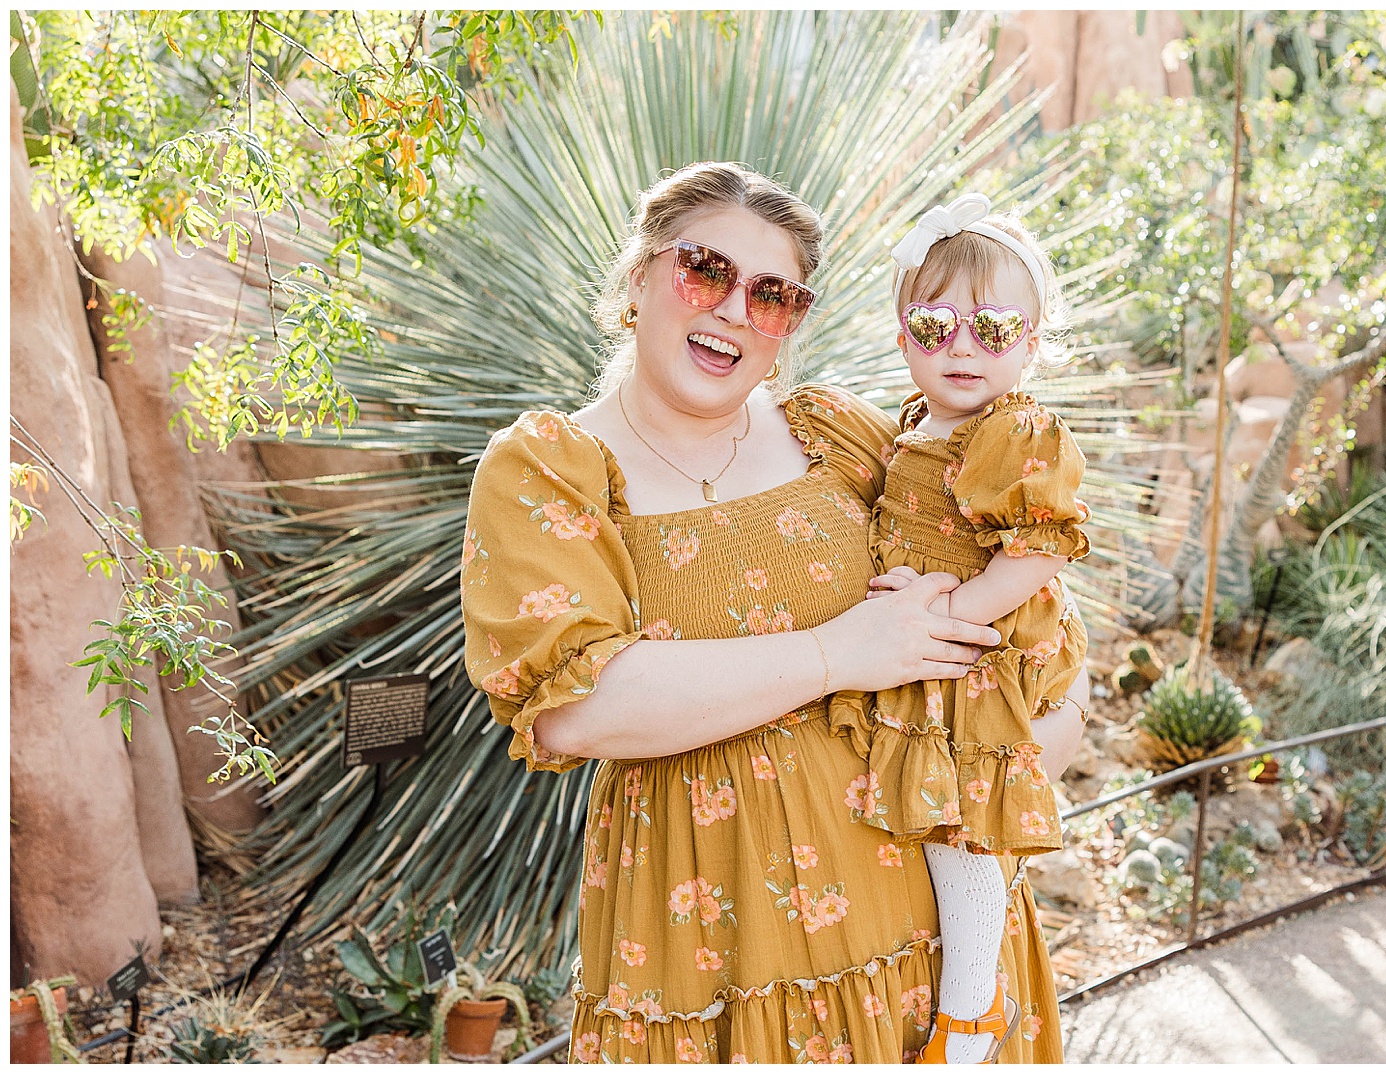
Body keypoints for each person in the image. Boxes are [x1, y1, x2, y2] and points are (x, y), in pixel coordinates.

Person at [459, 162, 1085, 1063]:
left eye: (773, 296)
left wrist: (1017, 768)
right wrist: (842, 654)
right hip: (713, 952)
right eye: (704, 270)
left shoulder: (839, 436)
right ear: (639, 276)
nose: (731, 311)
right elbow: (575, 709)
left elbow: (1043, 621)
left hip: (934, 953)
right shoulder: (550, 469)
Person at [830, 193, 1092, 1063]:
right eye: (936, 324)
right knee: (939, 830)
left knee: (965, 836)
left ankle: (972, 1011)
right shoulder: (917, 426)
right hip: (939, 656)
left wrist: (945, 613)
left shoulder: (1015, 428)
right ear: (902, 334)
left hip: (979, 656)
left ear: (1032, 338)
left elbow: (1039, 550)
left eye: (993, 326)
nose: (965, 348)